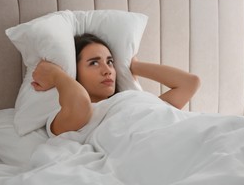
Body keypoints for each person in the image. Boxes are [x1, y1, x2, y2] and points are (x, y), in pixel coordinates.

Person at [31, 33, 200, 136]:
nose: (108, 70)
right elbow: (80, 105)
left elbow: (190, 83)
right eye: (94, 63)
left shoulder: (131, 100)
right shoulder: (64, 116)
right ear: (75, 72)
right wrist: (56, 74)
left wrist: (132, 66)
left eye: (110, 62)